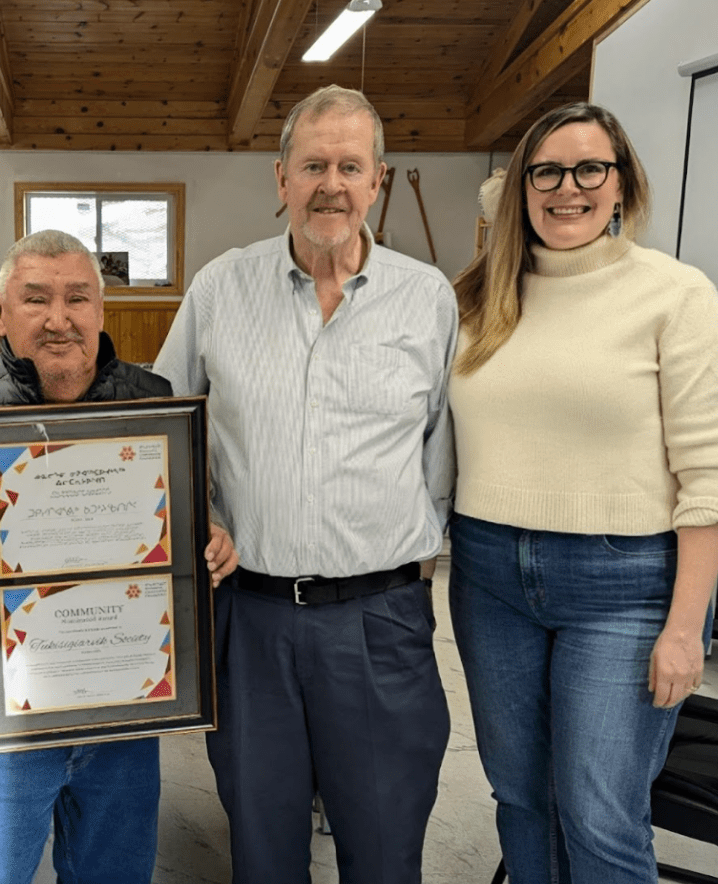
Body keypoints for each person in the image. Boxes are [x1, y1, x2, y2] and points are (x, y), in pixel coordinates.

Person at [153, 84, 457, 883]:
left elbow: (443, 453)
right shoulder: (221, 287)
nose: (332, 184)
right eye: (314, 164)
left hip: (380, 620)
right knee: (262, 846)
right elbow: (161, 425)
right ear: (280, 176)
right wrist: (197, 521)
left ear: (378, 179)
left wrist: (403, 549)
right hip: (250, 620)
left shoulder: (426, 299)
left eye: (350, 166)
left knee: (387, 849)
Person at [0, 228, 237, 884]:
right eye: (35, 299)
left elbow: (196, 510)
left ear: (101, 310)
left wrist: (210, 533)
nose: (59, 318)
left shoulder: (155, 403)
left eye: (77, 298)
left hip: (124, 706)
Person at [448, 102, 718, 883]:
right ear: (518, 188)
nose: (567, 188)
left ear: (623, 184)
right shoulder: (478, 298)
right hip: (488, 576)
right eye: (544, 171)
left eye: (591, 169)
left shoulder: (675, 296)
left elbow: (713, 478)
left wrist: (686, 629)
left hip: (626, 585)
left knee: (600, 814)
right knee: (519, 798)